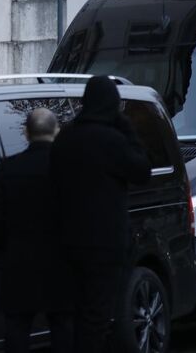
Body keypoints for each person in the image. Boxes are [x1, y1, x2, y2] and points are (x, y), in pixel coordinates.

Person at [49, 76, 151, 353]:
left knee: (74, 312)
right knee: (99, 314)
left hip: (67, 240)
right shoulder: (112, 140)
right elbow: (141, 170)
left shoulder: (66, 138)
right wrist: (125, 126)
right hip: (105, 243)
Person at [0, 108, 73, 353]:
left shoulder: (9, 168)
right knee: (63, 327)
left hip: (18, 261)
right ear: (56, 131)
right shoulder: (68, 168)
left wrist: (6, 245)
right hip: (61, 261)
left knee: (17, 327)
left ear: (26, 133)